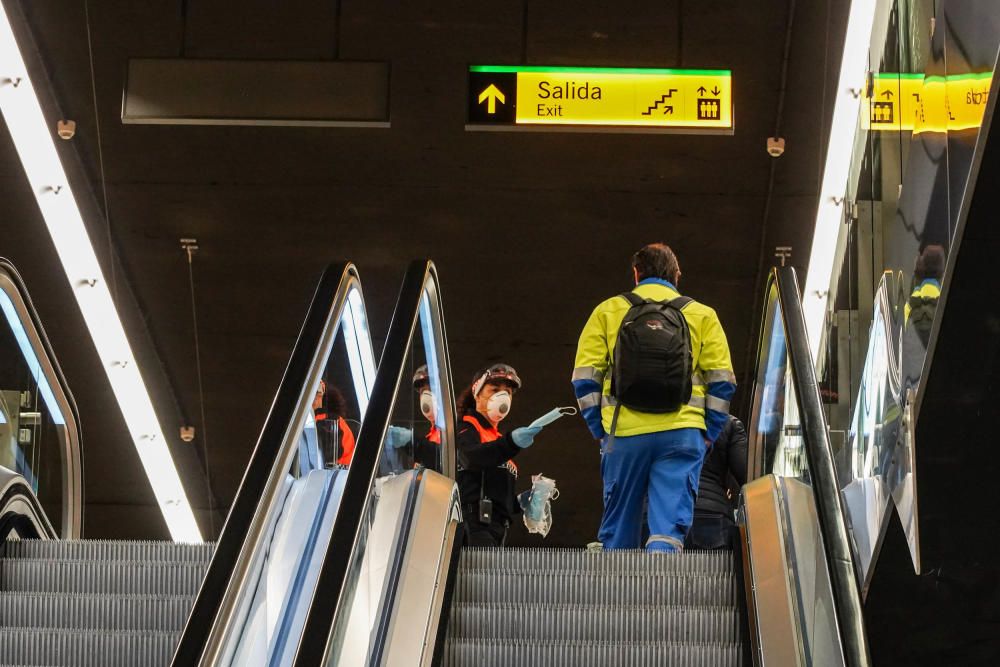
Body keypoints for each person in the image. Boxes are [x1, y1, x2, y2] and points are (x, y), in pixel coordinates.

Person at [572, 242, 736, 552]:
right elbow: (722, 382)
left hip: (623, 434)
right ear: (677, 275)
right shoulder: (702, 315)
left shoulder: (608, 311)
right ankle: (658, 588)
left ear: (636, 274)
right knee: (668, 528)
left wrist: (600, 429)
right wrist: (707, 433)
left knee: (619, 523)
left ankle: (618, 593)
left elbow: (584, 379)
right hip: (681, 432)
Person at [455, 363, 542, 547]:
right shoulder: (466, 427)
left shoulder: (496, 438)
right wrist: (511, 443)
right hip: (474, 524)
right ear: (476, 394)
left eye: (508, 392)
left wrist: (521, 501)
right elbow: (471, 458)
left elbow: (493, 490)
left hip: (498, 529)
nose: (502, 397)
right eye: (494, 389)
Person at [685, 415, 747, 550]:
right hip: (714, 514)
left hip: (667, 512)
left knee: (660, 566)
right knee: (715, 569)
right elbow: (746, 474)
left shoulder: (663, 422)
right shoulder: (729, 424)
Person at [312, 380, 355, 466]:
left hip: (334, 477)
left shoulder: (331, 423)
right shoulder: (332, 421)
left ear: (322, 390)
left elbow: (319, 460)